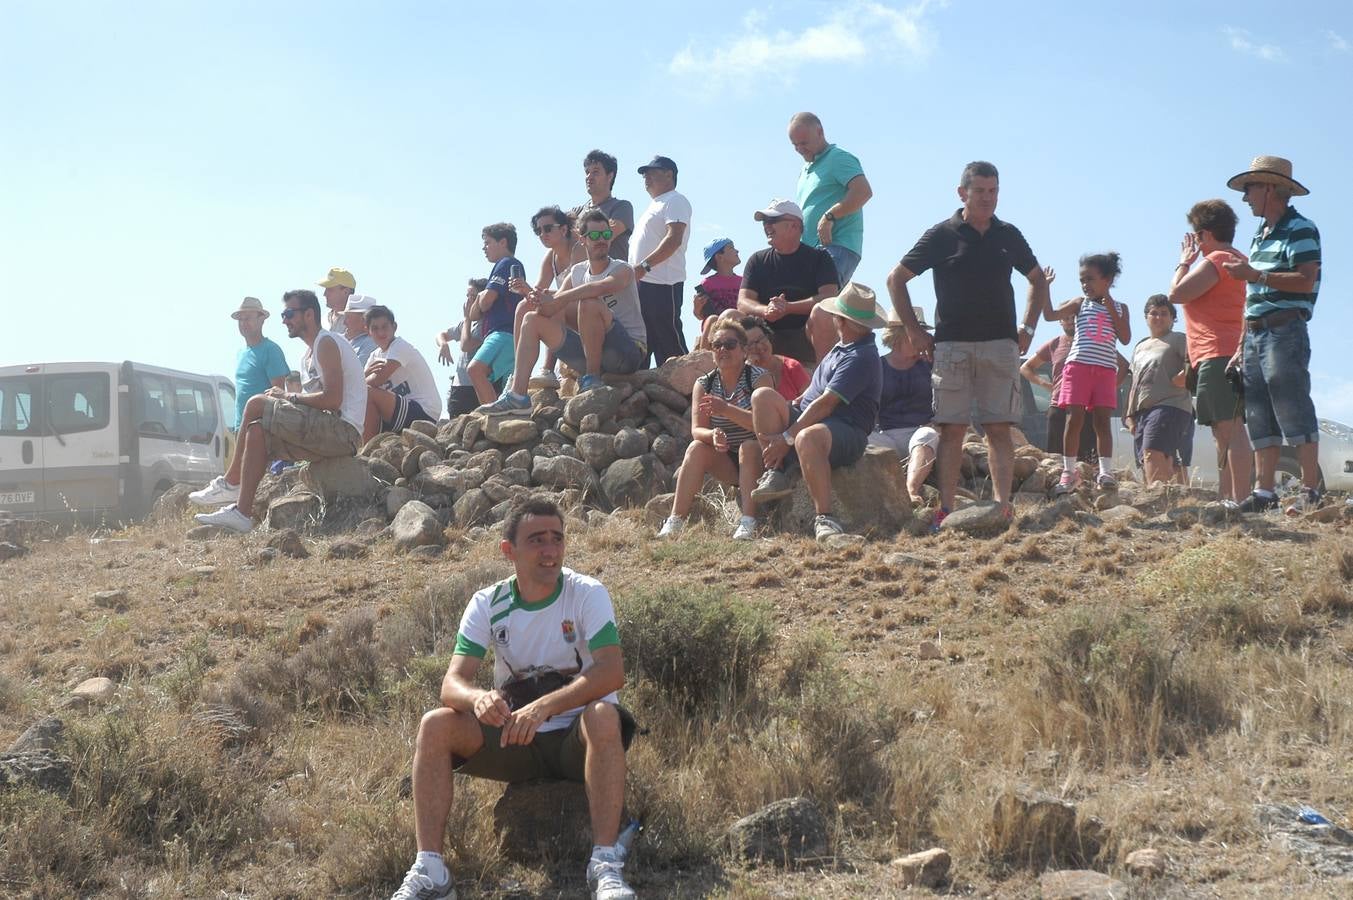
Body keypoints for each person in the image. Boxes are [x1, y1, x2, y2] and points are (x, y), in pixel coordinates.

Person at [387, 496, 636, 900]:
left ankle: (605, 866)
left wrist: (545, 705)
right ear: (509, 550)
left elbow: (611, 670)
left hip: (578, 739)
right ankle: (431, 869)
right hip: (515, 738)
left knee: (605, 714)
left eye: (557, 538)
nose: (550, 550)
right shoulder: (488, 602)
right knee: (436, 724)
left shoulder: (587, 593)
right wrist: (478, 699)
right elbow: (453, 683)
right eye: (537, 540)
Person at [885, 161, 1054, 528]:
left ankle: (1002, 507)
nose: (988, 198)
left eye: (993, 191)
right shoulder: (942, 234)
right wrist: (915, 332)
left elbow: (1038, 279)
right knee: (951, 428)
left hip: (1000, 345)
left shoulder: (1008, 234)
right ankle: (947, 510)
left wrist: (1028, 325)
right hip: (952, 346)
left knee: (998, 428)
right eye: (980, 191)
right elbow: (896, 278)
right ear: (962, 193)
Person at [192, 290, 366, 533]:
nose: (284, 320)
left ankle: (231, 482)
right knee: (256, 432)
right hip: (327, 431)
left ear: (308, 314)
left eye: (289, 313)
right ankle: (242, 513)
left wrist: (288, 397)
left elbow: (333, 400)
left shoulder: (326, 342)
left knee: (255, 404)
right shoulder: (308, 354)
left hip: (343, 432)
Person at [1220, 156, 1322, 513]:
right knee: (1259, 412)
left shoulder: (1301, 227)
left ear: (1269, 188)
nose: (1245, 197)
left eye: (1250, 188)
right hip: (1256, 335)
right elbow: (1252, 298)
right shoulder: (1259, 235)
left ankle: (1310, 489)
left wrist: (1256, 276)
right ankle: (1265, 492)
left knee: (1292, 404)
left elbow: (1306, 278)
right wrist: (1240, 344)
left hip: (1285, 329)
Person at [477, 210, 647, 416]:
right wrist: (529, 294)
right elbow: (550, 308)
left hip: (627, 352)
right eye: (594, 236)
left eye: (605, 235)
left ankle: (592, 379)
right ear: (583, 240)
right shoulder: (577, 272)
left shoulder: (623, 269)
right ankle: (518, 394)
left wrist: (560, 297)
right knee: (529, 315)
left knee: (588, 303)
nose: (600, 240)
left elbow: (599, 288)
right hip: (594, 351)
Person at [748, 283, 883, 541]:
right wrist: (795, 405)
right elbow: (814, 393)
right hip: (817, 420)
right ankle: (777, 470)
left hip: (846, 429)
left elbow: (826, 404)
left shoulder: (861, 356)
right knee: (762, 397)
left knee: (806, 437)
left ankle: (825, 518)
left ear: (842, 320)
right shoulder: (842, 347)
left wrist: (786, 437)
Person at [1167, 199, 1253, 504]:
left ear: (1204, 233)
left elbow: (1176, 294)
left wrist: (1184, 262)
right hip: (1228, 352)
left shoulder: (1217, 259)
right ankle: (1228, 497)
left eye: (1196, 236)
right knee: (1223, 429)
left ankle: (1240, 500)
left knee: (1229, 429)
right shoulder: (1241, 259)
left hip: (1217, 353)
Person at [658, 320, 772, 541]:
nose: (722, 350)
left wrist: (726, 410)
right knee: (696, 448)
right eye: (716, 345)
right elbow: (697, 429)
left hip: (761, 457)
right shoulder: (705, 384)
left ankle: (748, 522)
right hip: (729, 461)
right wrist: (713, 436)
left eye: (729, 344)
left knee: (748, 448)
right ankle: (676, 520)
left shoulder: (758, 377)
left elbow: (766, 426)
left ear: (743, 350)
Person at [1020, 267, 1130, 463]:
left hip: (1090, 402)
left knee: (1087, 454)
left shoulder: (1099, 340)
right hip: (1059, 402)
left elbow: (1124, 356)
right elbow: (1026, 367)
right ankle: (1064, 478)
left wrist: (1110, 388)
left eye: (1072, 316)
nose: (1070, 320)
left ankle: (1095, 477)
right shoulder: (1055, 344)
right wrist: (1045, 385)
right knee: (1056, 454)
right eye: (1066, 317)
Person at [1050, 253, 1131, 494]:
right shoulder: (1079, 304)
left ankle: (1105, 471)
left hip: (1105, 369)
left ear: (1107, 279)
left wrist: (1108, 303)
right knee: (1074, 418)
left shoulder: (1120, 308)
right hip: (1079, 367)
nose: (1085, 285)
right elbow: (1049, 314)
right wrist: (1043, 288)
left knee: (1102, 422)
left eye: (1090, 279)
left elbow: (1125, 338)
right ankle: (1068, 471)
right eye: (1082, 280)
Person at [736, 199, 840, 365]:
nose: (766, 226)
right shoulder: (757, 260)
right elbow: (743, 302)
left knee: (824, 312)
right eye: (765, 222)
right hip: (764, 338)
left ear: (794, 226)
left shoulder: (820, 258)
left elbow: (829, 297)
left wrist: (788, 308)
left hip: (805, 337)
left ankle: (822, 378)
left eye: (772, 221)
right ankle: (726, 381)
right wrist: (766, 310)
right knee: (730, 316)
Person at [788, 112, 873, 286]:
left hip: (837, 246)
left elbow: (863, 191)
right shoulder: (805, 170)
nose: (799, 149)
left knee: (821, 303)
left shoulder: (838, 158)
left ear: (820, 132)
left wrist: (829, 217)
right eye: (795, 145)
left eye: (804, 143)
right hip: (812, 251)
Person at [508, 206, 586, 390]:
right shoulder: (550, 256)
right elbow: (537, 294)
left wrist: (532, 291)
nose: (543, 234)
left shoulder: (579, 250)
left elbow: (572, 291)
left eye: (548, 228)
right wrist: (525, 290)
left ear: (564, 229)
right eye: (538, 231)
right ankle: (517, 374)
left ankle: (547, 369)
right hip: (566, 309)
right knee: (523, 306)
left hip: (586, 311)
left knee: (552, 301)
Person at [868, 309, 939, 506]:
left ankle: (911, 490)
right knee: (861, 438)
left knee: (927, 435)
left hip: (919, 432)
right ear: (899, 336)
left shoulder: (930, 364)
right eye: (917, 332)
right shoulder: (877, 366)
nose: (923, 338)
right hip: (885, 436)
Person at [629, 155, 691, 367]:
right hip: (644, 281)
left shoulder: (676, 200)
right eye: (644, 174)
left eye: (652, 172)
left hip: (663, 282)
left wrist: (644, 266)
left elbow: (674, 238)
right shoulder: (655, 205)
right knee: (647, 337)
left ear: (669, 174)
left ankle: (690, 383)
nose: (646, 177)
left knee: (669, 337)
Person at [1125, 295, 1193, 485]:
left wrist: (1184, 376)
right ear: (1146, 317)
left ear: (1173, 318)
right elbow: (1135, 382)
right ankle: (1171, 505)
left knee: (1152, 452)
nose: (1158, 317)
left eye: (1164, 313)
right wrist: (1129, 415)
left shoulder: (1178, 339)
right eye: (1153, 313)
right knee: (1147, 460)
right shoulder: (1140, 346)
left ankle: (1161, 501)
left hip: (1170, 405)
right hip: (1142, 411)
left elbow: (1197, 360)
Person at [362, 304, 443, 442]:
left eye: (384, 327)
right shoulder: (374, 356)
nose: (381, 333)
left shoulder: (400, 346)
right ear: (368, 331)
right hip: (401, 411)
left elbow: (376, 381)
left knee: (367, 393)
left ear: (394, 327)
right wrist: (364, 376)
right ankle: (368, 448)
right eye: (375, 328)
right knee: (358, 401)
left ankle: (366, 451)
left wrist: (362, 377)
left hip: (424, 411)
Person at [467, 223, 525, 404]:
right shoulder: (510, 265)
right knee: (507, 388)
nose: (484, 248)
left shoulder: (505, 263)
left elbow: (484, 304)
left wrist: (481, 298)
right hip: (515, 336)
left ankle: (492, 416)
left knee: (475, 370)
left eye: (487, 242)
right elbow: (474, 315)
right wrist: (480, 299)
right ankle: (502, 416)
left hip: (503, 332)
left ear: (503, 242)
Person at [226, 297, 289, 431]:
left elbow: (278, 394)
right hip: (240, 427)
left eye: (247, 318)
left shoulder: (271, 350)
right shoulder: (241, 353)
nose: (243, 323)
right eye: (240, 319)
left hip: (260, 428)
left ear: (261, 320)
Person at [572, 149, 635, 263]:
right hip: (582, 279)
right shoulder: (577, 211)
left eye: (595, 172)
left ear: (610, 176)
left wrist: (573, 234)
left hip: (613, 278)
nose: (589, 177)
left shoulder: (621, 207)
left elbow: (600, 237)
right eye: (587, 172)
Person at [740, 315, 810, 402]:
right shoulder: (741, 375)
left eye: (761, 338)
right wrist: (749, 371)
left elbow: (810, 398)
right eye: (751, 344)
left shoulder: (791, 367)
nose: (759, 346)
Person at [695, 238, 742, 322]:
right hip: (717, 329)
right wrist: (697, 307)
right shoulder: (707, 284)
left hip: (740, 328)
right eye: (731, 248)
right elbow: (701, 316)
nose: (737, 251)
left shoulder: (743, 281)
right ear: (719, 256)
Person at [340, 294, 379, 367]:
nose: (344, 323)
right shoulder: (347, 341)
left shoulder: (371, 343)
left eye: (348, 317)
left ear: (364, 319)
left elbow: (356, 372)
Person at [318, 266, 356, 331]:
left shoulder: (357, 321)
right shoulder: (323, 320)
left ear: (345, 292)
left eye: (329, 289)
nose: (325, 294)